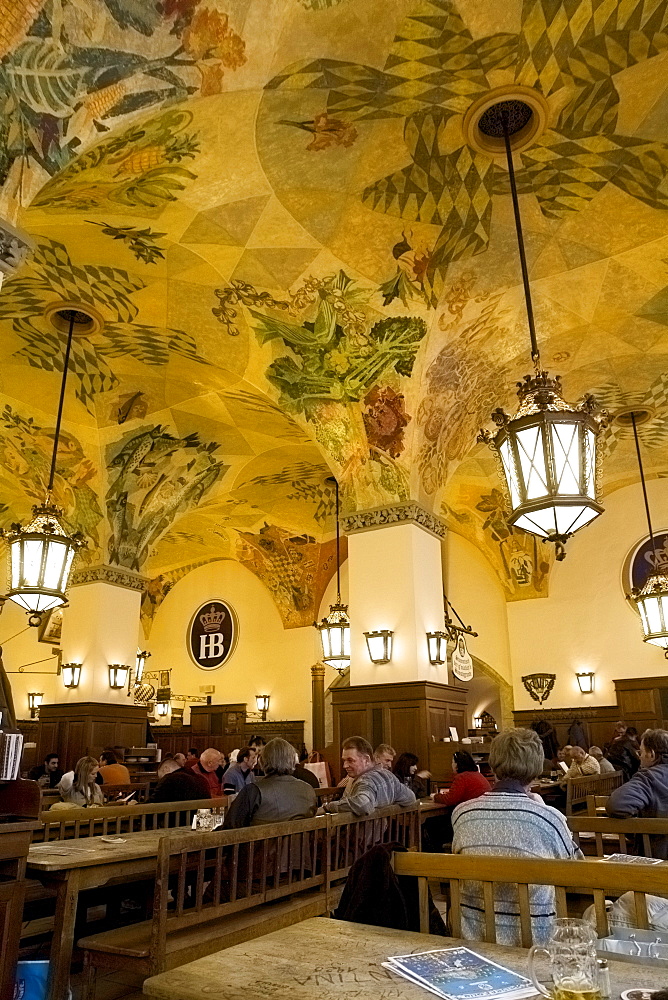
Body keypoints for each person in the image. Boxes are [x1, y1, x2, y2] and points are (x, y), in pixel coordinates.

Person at [452, 728, 582, 947]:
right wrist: (544, 809)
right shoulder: (549, 818)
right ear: (537, 768)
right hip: (533, 943)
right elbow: (577, 872)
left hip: (473, 937)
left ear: (493, 765)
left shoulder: (462, 813)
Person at [224, 738, 317, 827]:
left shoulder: (253, 791)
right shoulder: (308, 789)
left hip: (261, 843)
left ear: (263, 761)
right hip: (301, 843)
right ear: (292, 761)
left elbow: (229, 828)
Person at [606, 728, 668, 859]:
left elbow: (617, 805)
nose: (639, 756)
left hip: (659, 862)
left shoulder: (649, 777)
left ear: (651, 754)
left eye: (641, 752)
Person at [322, 736, 415, 816]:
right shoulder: (389, 776)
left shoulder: (365, 780)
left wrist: (328, 807)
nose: (344, 765)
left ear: (366, 759)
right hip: (380, 835)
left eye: (350, 760)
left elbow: (363, 805)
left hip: (358, 836)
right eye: (344, 760)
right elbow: (411, 798)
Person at [423, 752, 491, 851]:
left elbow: (451, 799)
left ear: (457, 764)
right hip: (481, 817)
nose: (451, 765)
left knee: (431, 824)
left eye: (452, 762)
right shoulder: (478, 775)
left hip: (468, 819)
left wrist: (435, 797)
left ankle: (435, 854)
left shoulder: (462, 777)